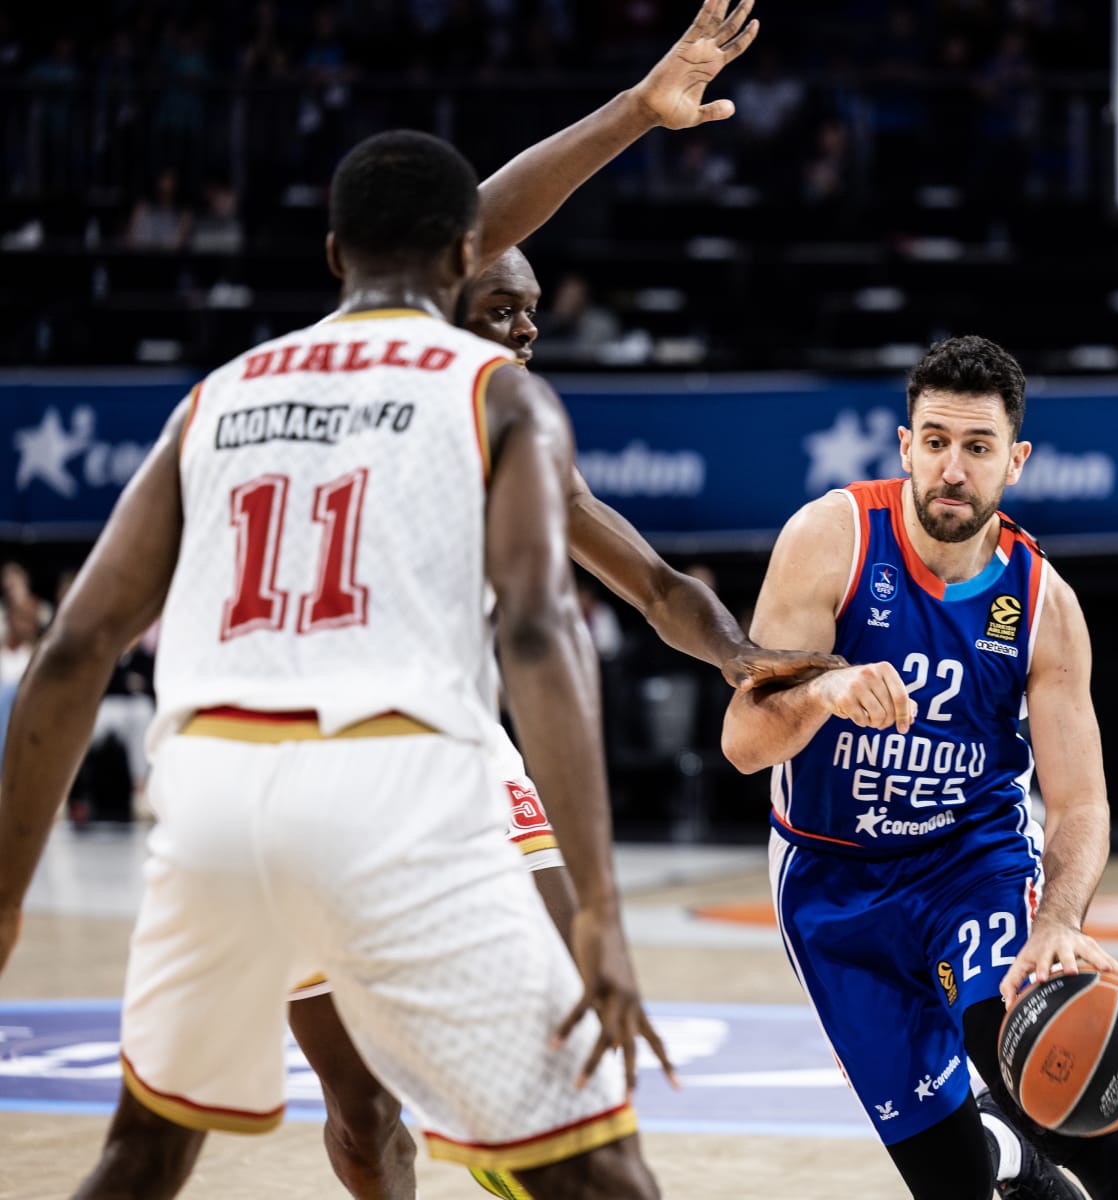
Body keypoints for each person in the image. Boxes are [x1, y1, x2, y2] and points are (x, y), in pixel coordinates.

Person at [0, 129, 661, 1199]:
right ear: (463, 259)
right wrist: (600, 911)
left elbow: (75, 645)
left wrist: (4, 894)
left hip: (211, 805)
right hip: (385, 790)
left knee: (142, 1157)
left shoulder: (218, 396)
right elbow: (540, 632)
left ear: (331, 255)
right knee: (597, 1173)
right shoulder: (492, 389)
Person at [295, 243, 839, 1200]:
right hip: (304, 770)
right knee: (362, 1110)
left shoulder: (523, 438)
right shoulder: (366, 400)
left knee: (569, 1031)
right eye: (502, 306)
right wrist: (631, 113)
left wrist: (738, 654)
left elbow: (659, 587)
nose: (528, 328)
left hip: (454, 749)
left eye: (533, 307)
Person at [721, 336, 1118, 1200]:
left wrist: (1058, 920)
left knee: (1045, 1076)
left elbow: (1081, 802)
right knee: (953, 1185)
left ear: (1015, 461)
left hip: (967, 865)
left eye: (976, 448)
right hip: (832, 886)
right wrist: (821, 689)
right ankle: (1012, 1165)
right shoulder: (830, 540)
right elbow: (743, 743)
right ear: (905, 446)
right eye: (934, 441)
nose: (951, 467)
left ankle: (1036, 1141)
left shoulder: (1043, 602)